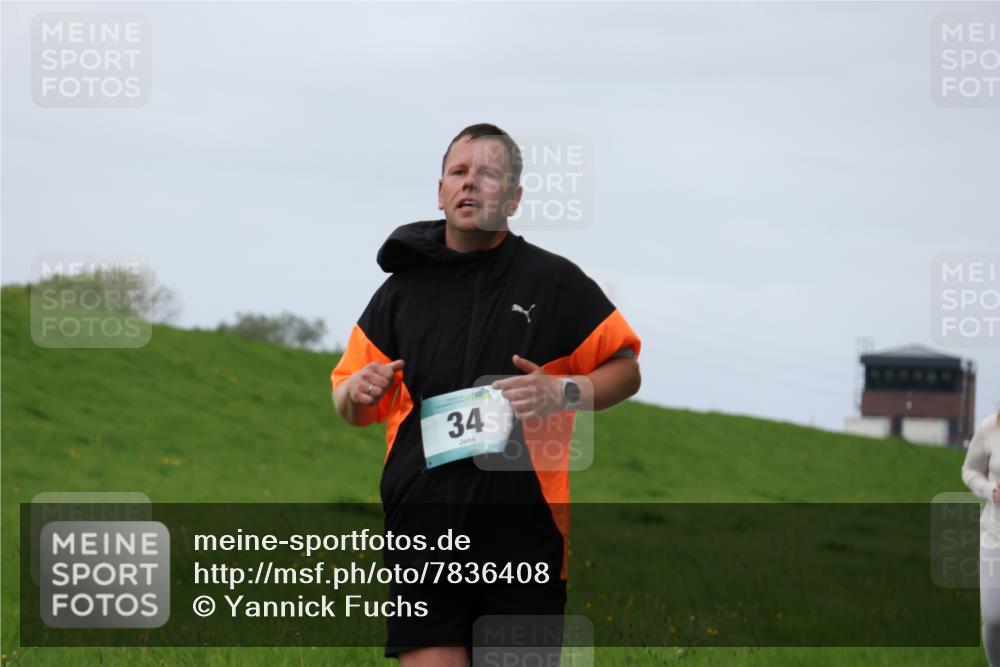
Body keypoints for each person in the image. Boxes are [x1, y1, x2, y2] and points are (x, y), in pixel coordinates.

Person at [331, 123, 642, 666]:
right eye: (458, 172)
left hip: (525, 536)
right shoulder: (402, 291)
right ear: (440, 191)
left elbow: (626, 368)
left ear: (515, 197)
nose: (470, 184)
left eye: (489, 174)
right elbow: (349, 403)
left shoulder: (555, 283)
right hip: (424, 530)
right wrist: (358, 390)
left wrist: (563, 391)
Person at [962, 409, 1000, 667]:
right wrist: (990, 490)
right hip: (994, 535)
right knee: (994, 617)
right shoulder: (991, 428)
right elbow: (969, 470)